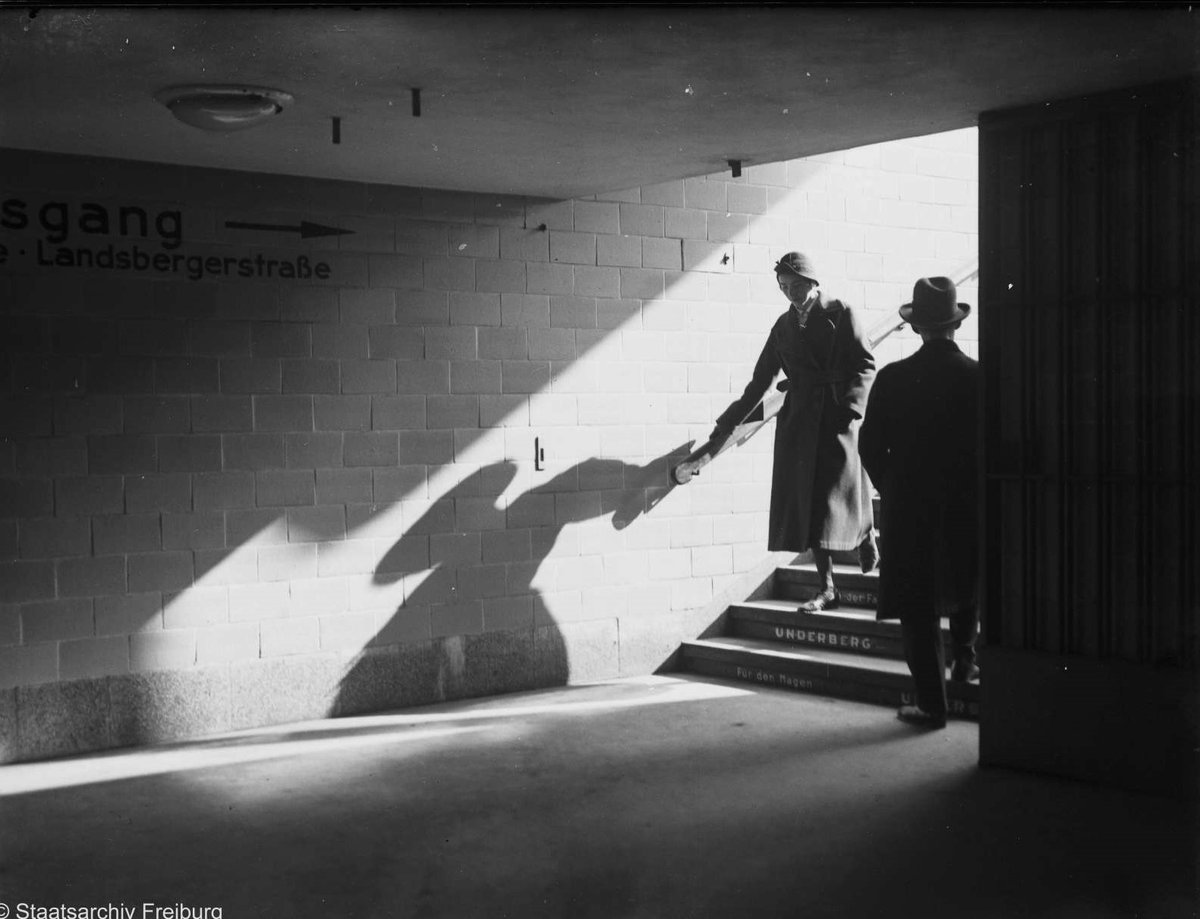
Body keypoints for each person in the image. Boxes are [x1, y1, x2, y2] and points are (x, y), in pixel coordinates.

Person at [710, 251, 879, 611]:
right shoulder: (782, 327)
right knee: (812, 507)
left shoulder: (841, 312)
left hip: (836, 415)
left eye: (796, 285)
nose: (790, 293)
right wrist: (728, 421)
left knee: (843, 490)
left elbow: (865, 363)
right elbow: (760, 382)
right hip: (800, 423)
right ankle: (827, 588)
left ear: (812, 282)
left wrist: (852, 408)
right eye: (783, 287)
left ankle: (865, 533)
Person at [858, 276, 981, 729]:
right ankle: (965, 661)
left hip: (909, 507)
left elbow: (869, 446)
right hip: (965, 503)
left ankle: (932, 704)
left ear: (916, 327)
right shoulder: (978, 376)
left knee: (917, 604)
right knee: (967, 583)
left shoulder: (893, 378)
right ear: (956, 326)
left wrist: (890, 487)